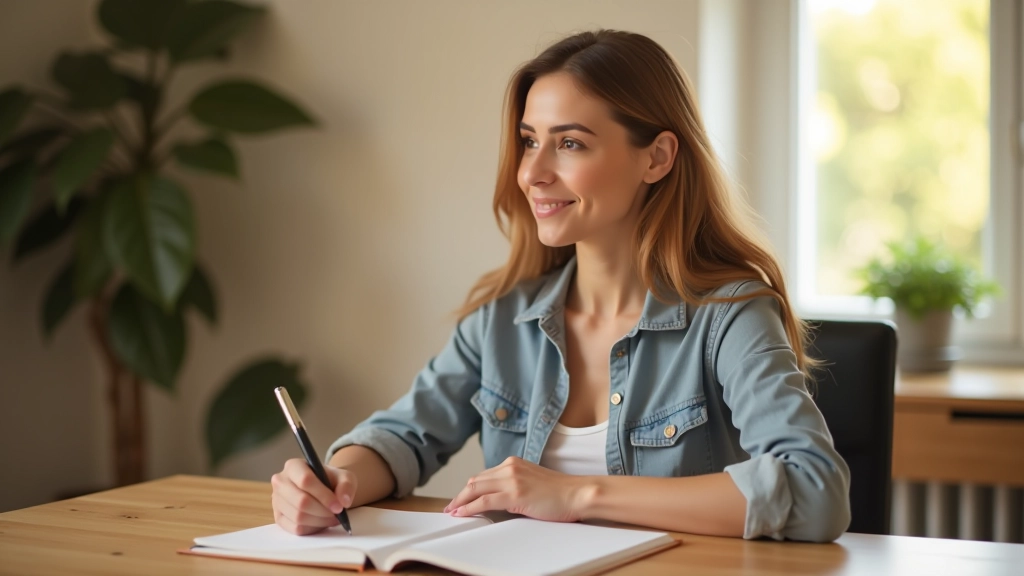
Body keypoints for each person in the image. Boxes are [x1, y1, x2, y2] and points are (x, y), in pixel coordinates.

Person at [271, 29, 851, 543]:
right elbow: (402, 437)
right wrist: (333, 480)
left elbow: (814, 488)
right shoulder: (502, 321)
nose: (532, 172)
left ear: (657, 157)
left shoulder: (730, 315)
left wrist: (576, 495)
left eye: (569, 143)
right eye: (529, 140)